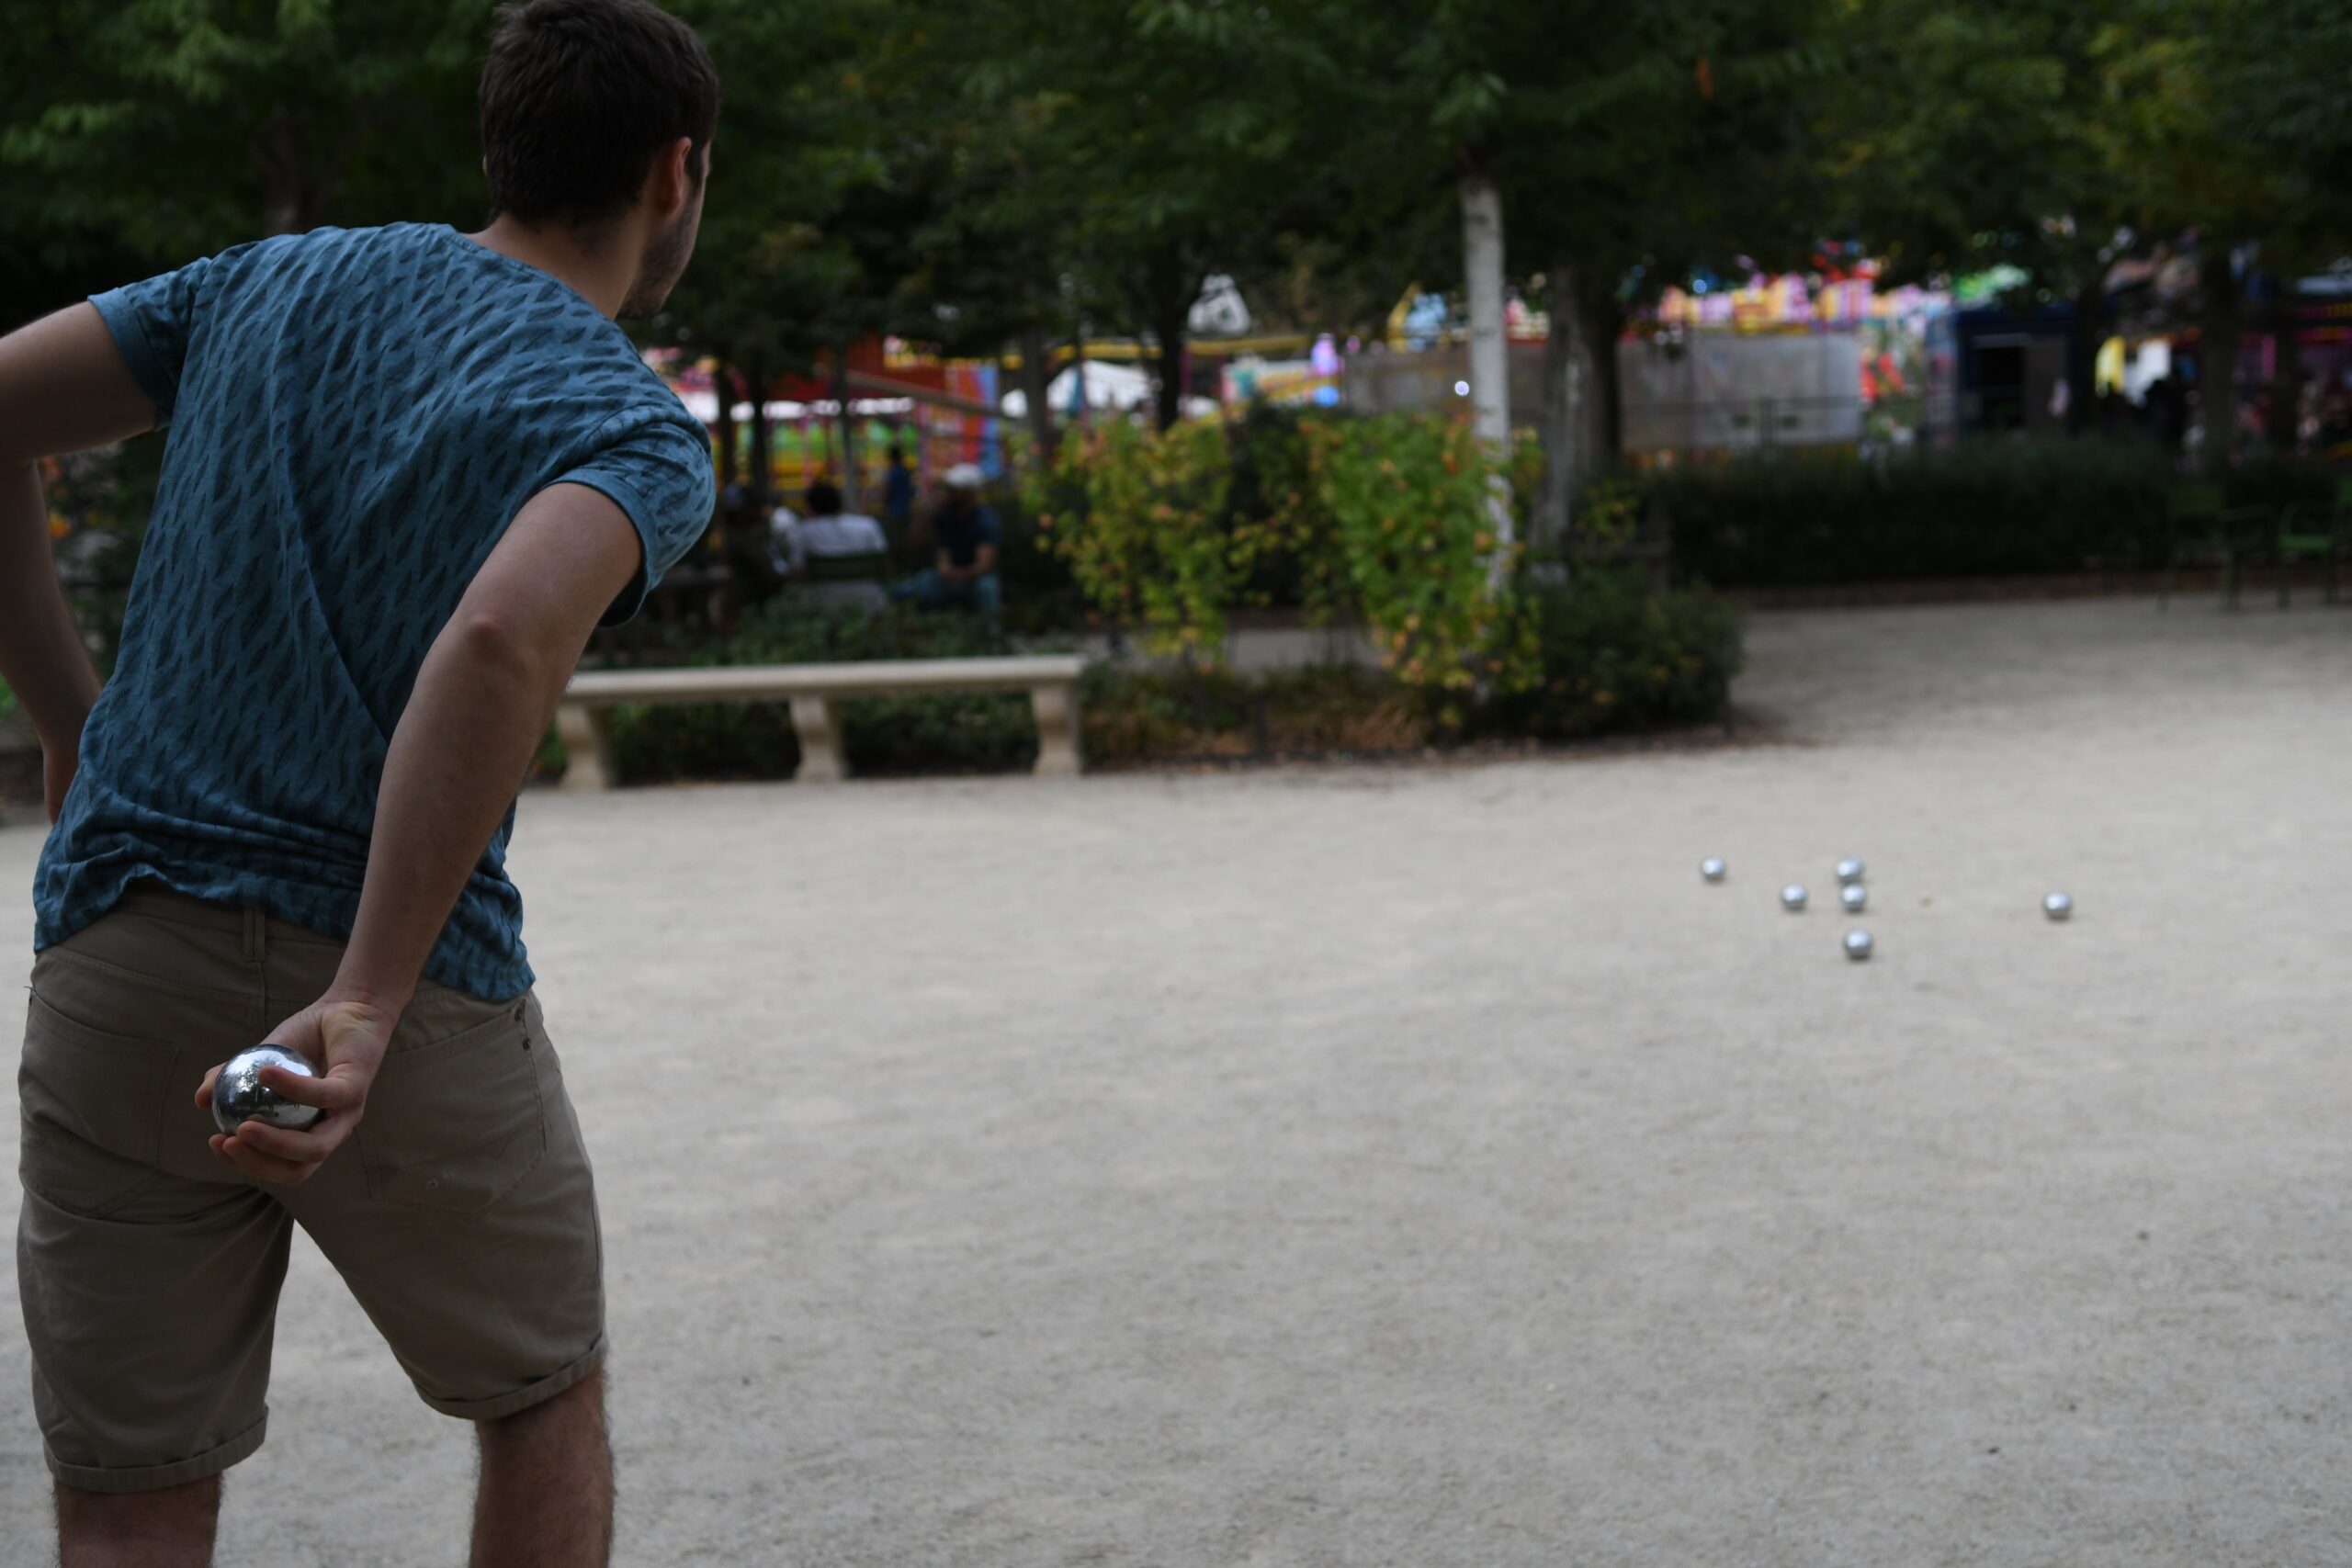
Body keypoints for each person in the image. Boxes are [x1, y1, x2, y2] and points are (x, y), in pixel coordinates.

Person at [0, 2, 718, 1562]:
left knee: (130, 1492)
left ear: (499, 150)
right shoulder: (627, 426)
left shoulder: (270, 278)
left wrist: (73, 714)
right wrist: (374, 993)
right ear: (677, 174)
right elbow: (499, 636)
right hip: (404, 988)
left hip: (122, 946)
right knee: (537, 1393)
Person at [892, 462, 1001, 614]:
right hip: (942, 579)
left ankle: (991, 632)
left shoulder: (984, 521)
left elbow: (984, 566)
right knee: (902, 591)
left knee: (986, 587)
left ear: (971, 493)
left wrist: (954, 574)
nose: (950, 493)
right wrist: (931, 512)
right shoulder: (943, 515)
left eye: (956, 490)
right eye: (950, 489)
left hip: (972, 581)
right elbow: (912, 541)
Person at [781, 479, 890, 612]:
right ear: (840, 503)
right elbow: (885, 565)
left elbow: (796, 573)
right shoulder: (869, 525)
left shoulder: (806, 531)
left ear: (811, 508)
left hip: (823, 603)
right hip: (871, 601)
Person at [880, 442, 915, 536]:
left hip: (894, 510)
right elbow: (911, 490)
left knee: (895, 536)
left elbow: (888, 489)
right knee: (903, 535)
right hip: (905, 508)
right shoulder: (905, 471)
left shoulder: (894, 472)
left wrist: (883, 501)